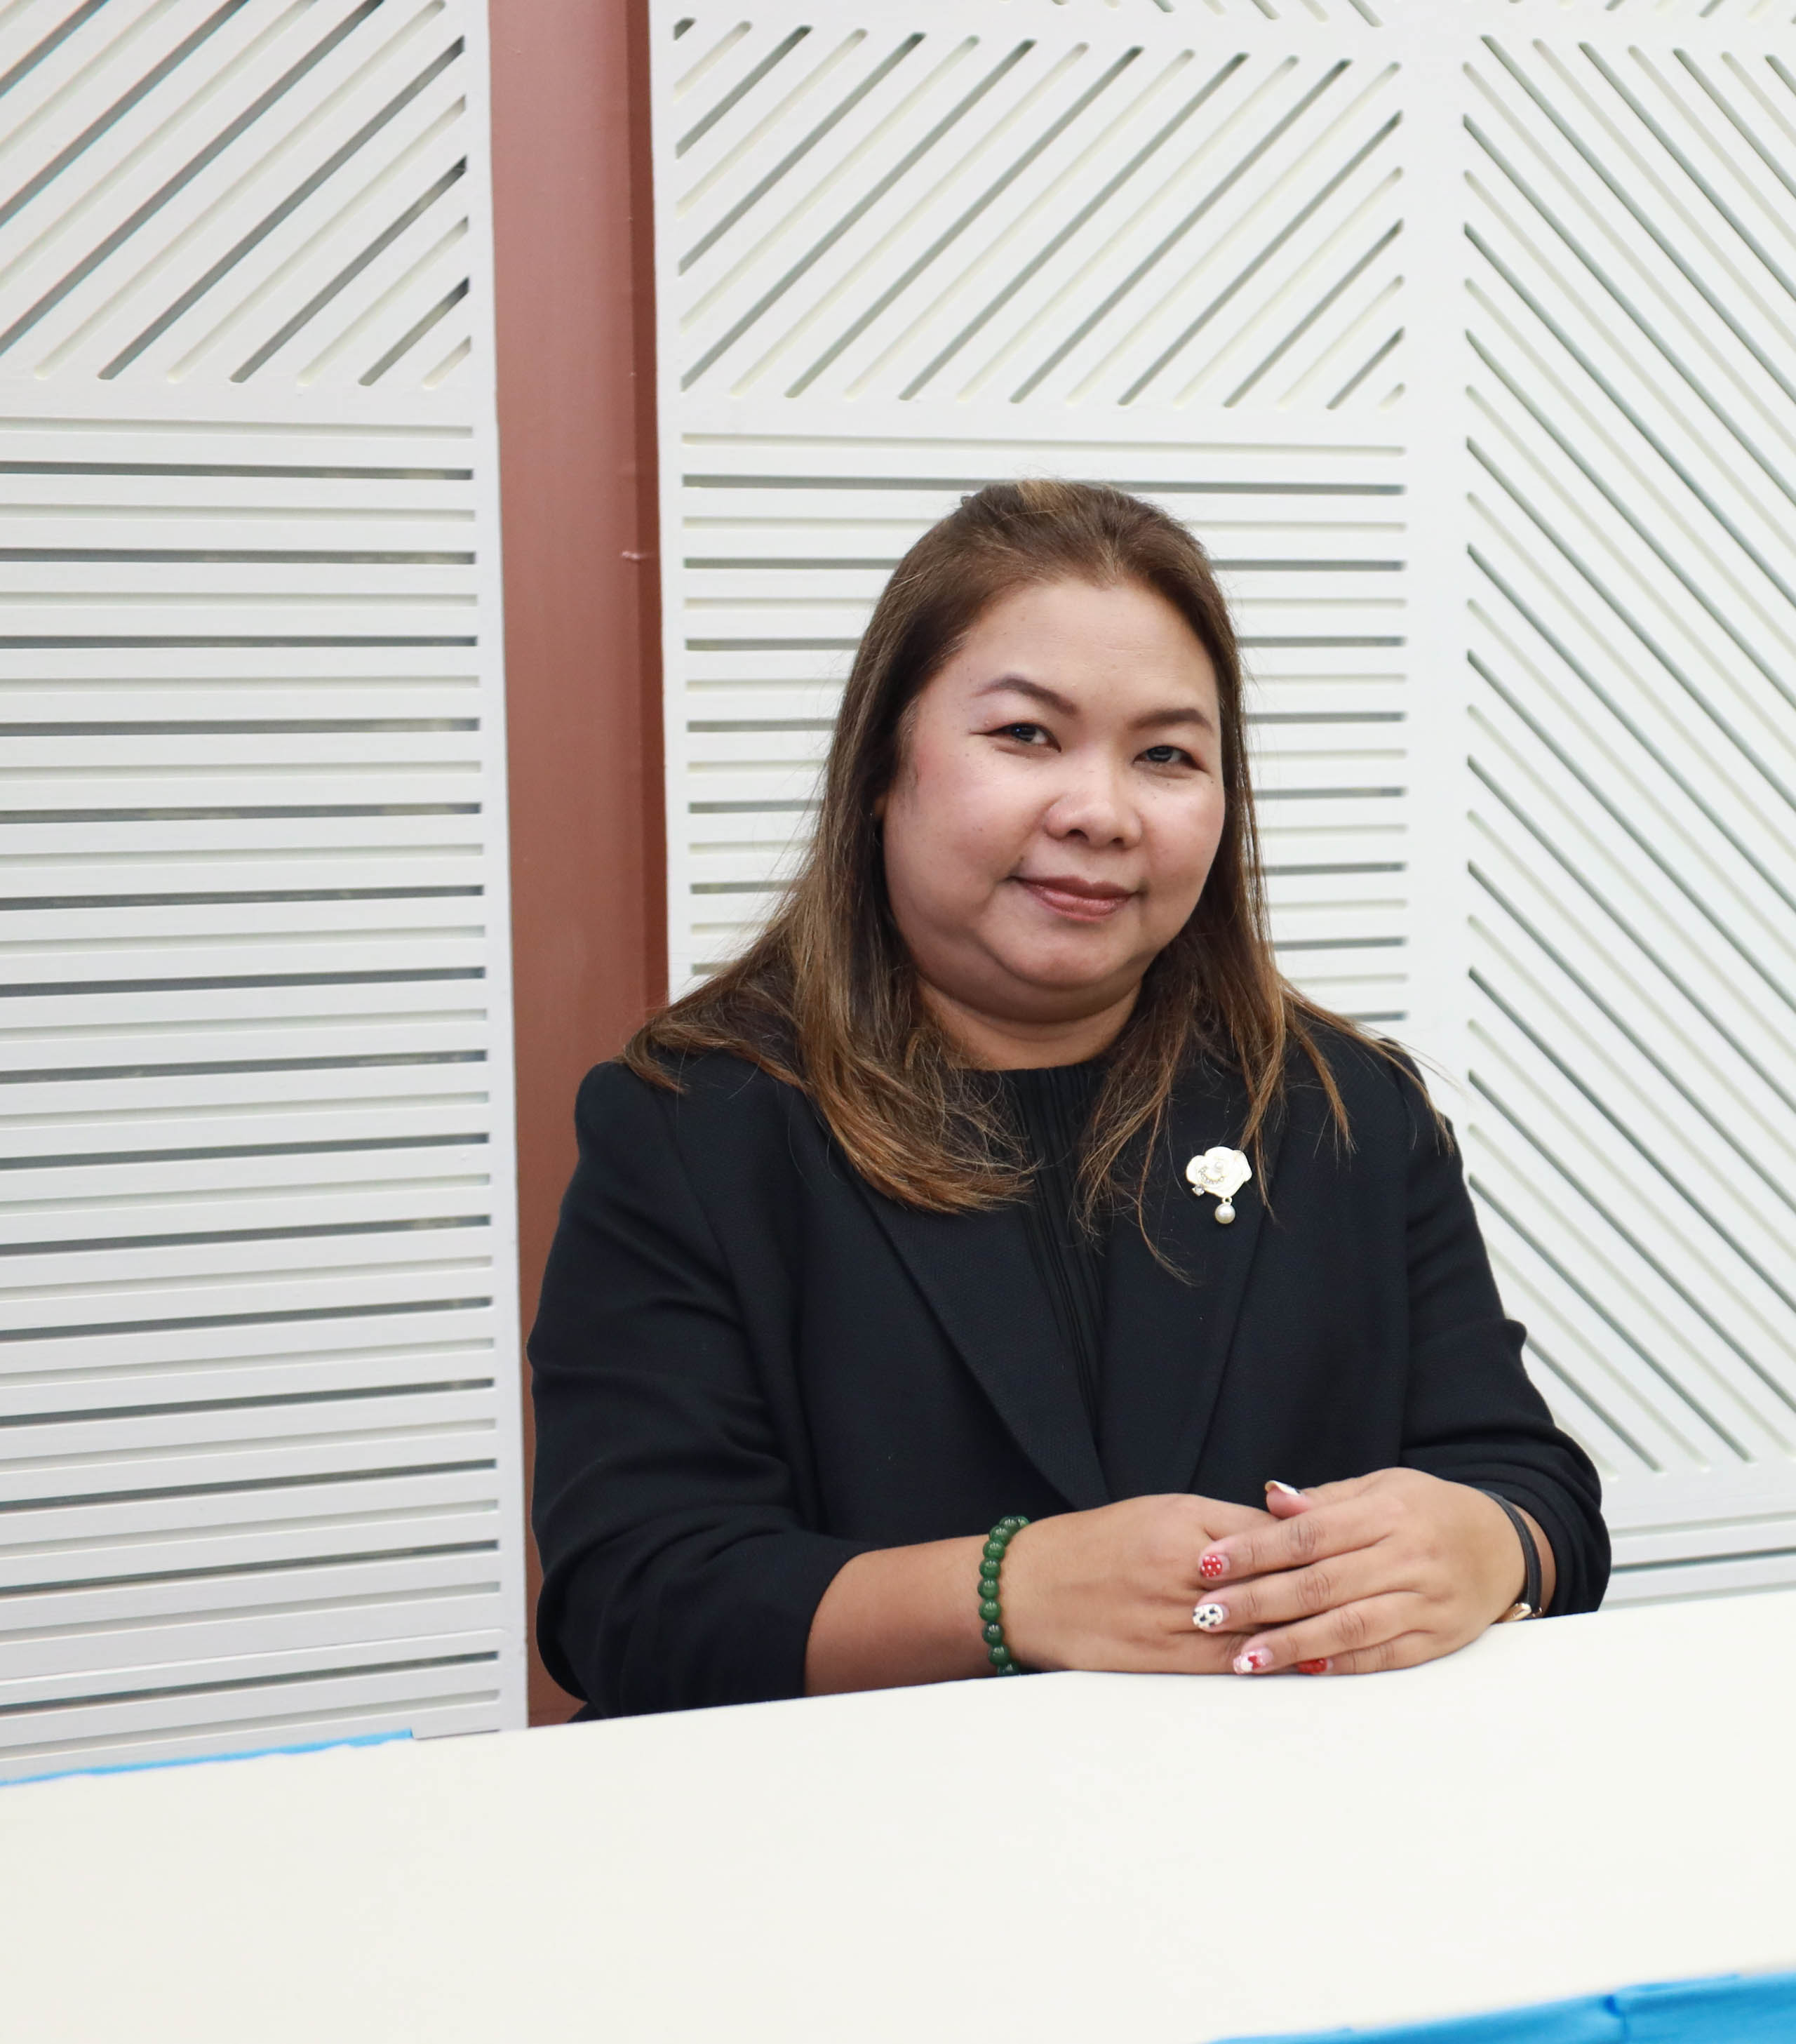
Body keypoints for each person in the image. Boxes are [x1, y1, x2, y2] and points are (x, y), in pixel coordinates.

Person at [532, 482, 1604, 1714]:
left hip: (1281, 1814)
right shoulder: (695, 1123)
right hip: (858, 1821)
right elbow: (632, 1601)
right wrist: (1008, 1591)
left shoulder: (1343, 1109)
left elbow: (1537, 1495)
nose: (1100, 812)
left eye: (1166, 755)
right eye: (1027, 735)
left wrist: (1485, 1545)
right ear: (883, 765)